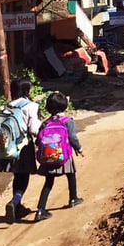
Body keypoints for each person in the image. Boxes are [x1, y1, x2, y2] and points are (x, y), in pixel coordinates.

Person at [33, 91, 84, 222]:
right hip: (64, 157)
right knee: (71, 175)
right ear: (65, 106)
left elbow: (38, 141)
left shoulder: (45, 123)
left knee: (48, 183)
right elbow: (72, 137)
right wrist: (79, 149)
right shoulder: (67, 121)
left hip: (48, 158)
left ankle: (40, 210)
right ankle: (73, 198)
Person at [0, 76, 40, 224]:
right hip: (24, 146)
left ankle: (18, 207)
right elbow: (33, 129)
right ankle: (14, 202)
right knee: (24, 177)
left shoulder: (6, 106)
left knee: (17, 176)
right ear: (27, 90)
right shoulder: (31, 106)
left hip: (9, 148)